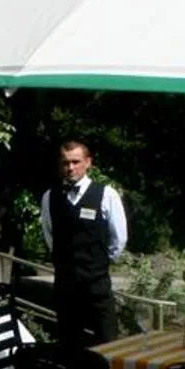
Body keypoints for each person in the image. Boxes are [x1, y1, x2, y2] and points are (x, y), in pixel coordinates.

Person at [38, 139, 128, 345]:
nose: (70, 168)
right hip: (65, 288)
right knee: (69, 346)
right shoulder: (49, 197)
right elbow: (50, 236)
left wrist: (99, 262)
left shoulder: (106, 195)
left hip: (97, 286)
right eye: (65, 163)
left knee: (108, 344)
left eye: (76, 162)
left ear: (88, 163)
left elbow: (119, 238)